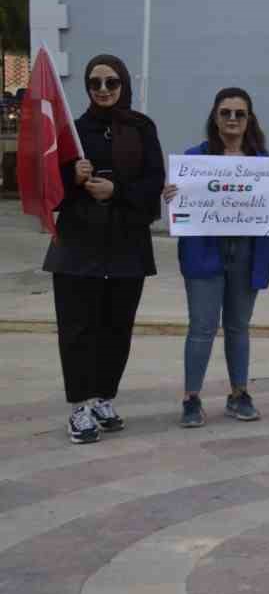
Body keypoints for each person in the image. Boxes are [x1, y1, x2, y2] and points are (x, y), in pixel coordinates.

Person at [46, 54, 164, 444]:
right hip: (78, 246)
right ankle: (80, 405)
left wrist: (118, 191)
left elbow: (153, 186)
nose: (103, 90)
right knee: (79, 328)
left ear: (123, 84)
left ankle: (103, 397)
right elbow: (51, 194)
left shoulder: (142, 128)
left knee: (117, 328)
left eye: (111, 82)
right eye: (95, 83)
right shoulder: (72, 132)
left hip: (126, 245)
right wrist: (70, 175)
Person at [166, 88, 269, 427]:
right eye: (226, 113)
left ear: (249, 119)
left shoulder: (263, 163)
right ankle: (191, 398)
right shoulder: (193, 159)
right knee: (202, 327)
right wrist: (172, 197)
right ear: (215, 117)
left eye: (240, 113)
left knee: (238, 327)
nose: (233, 119)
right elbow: (179, 206)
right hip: (204, 250)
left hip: (248, 253)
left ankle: (239, 393)